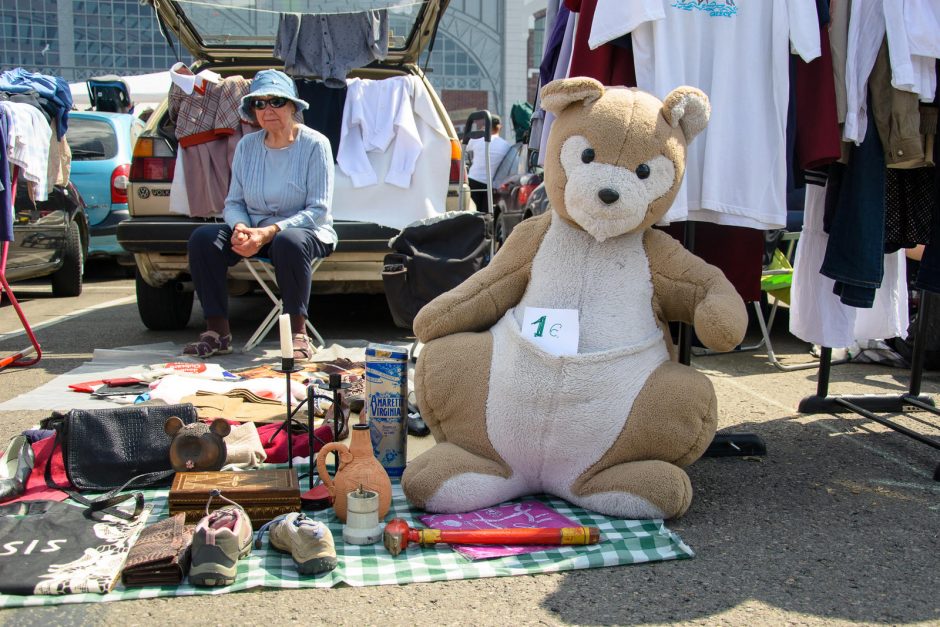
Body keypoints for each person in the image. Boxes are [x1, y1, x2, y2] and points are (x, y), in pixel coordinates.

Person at [184, 69, 337, 361]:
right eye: (260, 103)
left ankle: (297, 334)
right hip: (253, 229)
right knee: (203, 239)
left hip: (306, 233)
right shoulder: (246, 146)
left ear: (293, 106)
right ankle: (217, 332)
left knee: (288, 242)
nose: (268, 110)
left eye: (277, 101)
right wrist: (241, 227)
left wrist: (267, 232)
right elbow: (233, 202)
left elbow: (318, 210)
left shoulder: (316, 144)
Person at [466, 115, 512, 213]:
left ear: (485, 126)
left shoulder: (477, 140)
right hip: (491, 184)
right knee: (486, 214)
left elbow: (464, 146)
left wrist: (480, 133)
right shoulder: (506, 146)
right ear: (500, 127)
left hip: (473, 180)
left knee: (472, 212)